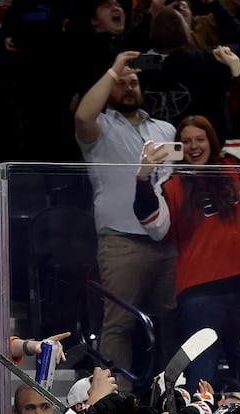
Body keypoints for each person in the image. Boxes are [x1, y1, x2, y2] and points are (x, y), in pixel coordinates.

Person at [134, 111, 240, 389]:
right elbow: (155, 227)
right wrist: (142, 177)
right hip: (199, 294)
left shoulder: (233, 169)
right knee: (203, 371)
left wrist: (236, 71)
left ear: (212, 141)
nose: (194, 147)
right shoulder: (171, 185)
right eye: (186, 141)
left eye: (200, 139)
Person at [75, 51, 177, 386]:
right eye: (121, 84)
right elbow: (83, 115)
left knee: (174, 319)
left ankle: (174, 393)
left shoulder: (165, 128)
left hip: (167, 240)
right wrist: (113, 68)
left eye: (133, 82)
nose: (129, 87)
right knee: (119, 323)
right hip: (120, 240)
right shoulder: (100, 128)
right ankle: (115, 398)